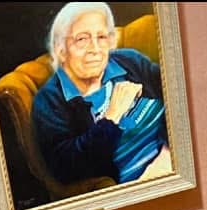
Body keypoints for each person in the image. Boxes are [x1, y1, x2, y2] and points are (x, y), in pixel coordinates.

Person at [31, 2, 171, 188]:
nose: (95, 49)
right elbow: (66, 168)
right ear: (61, 50)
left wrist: (168, 152)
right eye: (82, 39)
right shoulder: (49, 101)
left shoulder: (129, 61)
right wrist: (112, 117)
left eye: (102, 37)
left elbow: (176, 92)